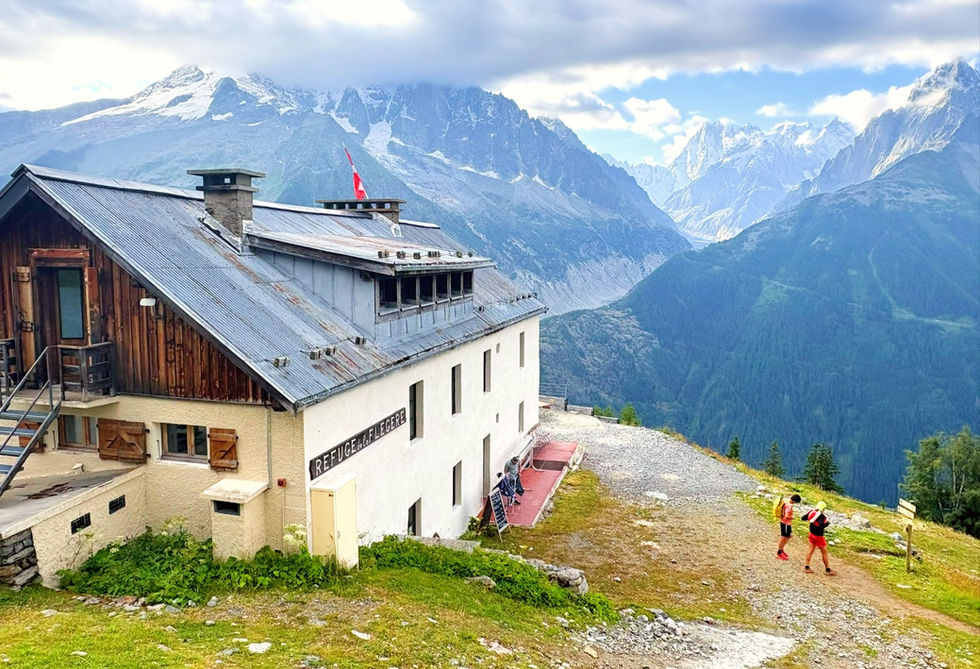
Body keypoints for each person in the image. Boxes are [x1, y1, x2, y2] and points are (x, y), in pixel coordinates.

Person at [803, 501, 835, 575]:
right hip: (819, 536)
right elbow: (820, 527)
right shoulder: (822, 517)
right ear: (823, 509)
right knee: (824, 552)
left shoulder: (811, 512)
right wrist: (826, 525)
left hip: (811, 534)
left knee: (810, 550)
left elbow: (803, 518)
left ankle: (806, 567)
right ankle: (828, 570)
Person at [776, 493, 802, 560]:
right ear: (795, 501)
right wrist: (792, 517)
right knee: (784, 537)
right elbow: (787, 515)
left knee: (788, 536)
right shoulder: (790, 506)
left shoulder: (786, 502)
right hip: (785, 523)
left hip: (784, 522)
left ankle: (781, 549)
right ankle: (779, 552)